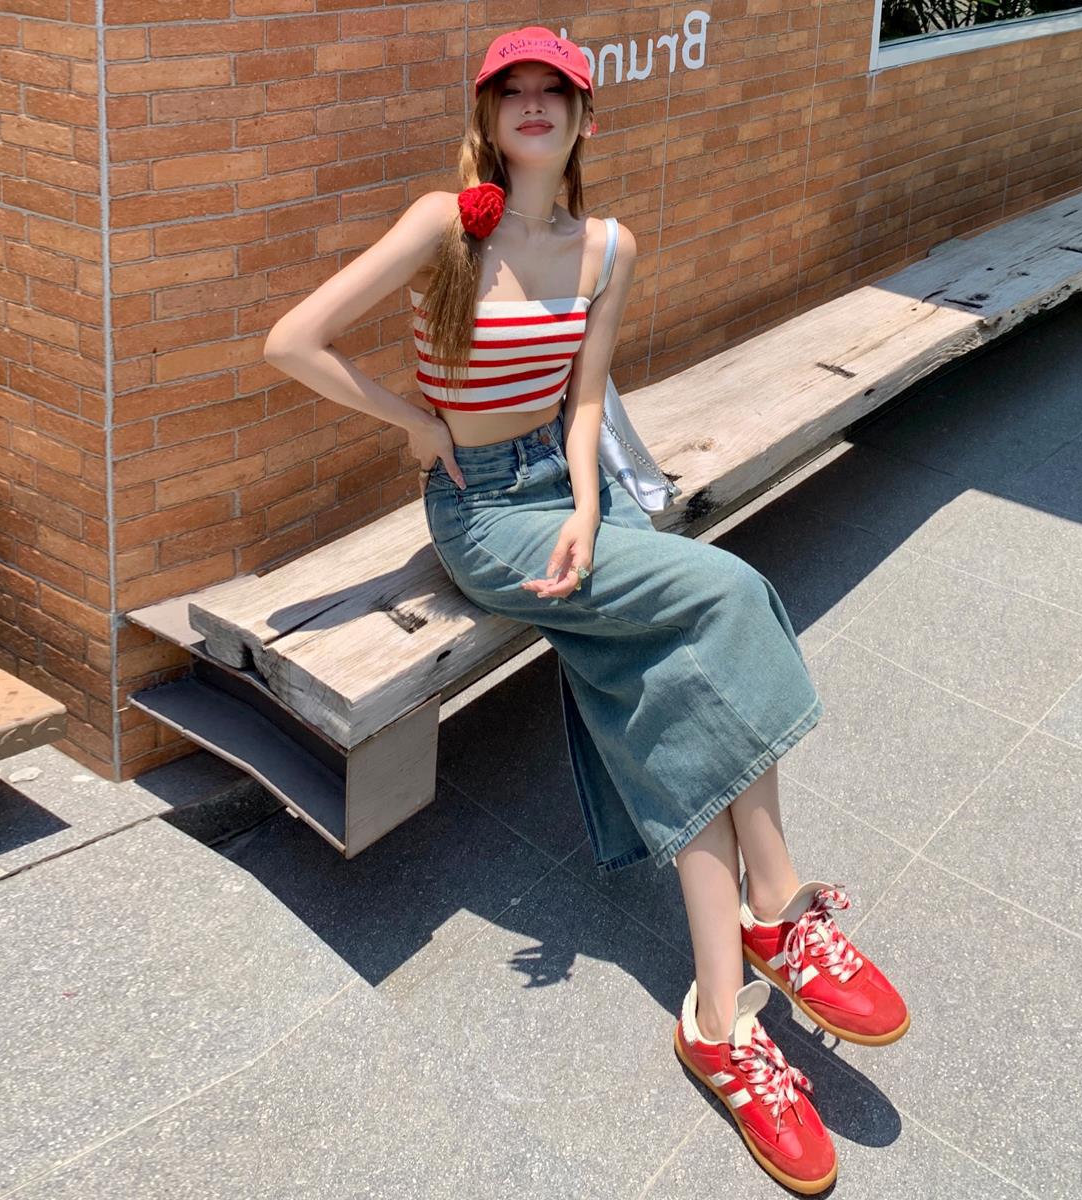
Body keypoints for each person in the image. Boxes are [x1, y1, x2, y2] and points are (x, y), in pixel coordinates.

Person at [263, 25, 909, 1195]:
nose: (532, 105)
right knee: (729, 591)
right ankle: (779, 904)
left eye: (551, 92)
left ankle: (722, 1019)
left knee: (673, 685)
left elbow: (588, 402)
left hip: (567, 497)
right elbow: (290, 342)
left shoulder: (608, 245)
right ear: (487, 114)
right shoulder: (442, 225)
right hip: (478, 515)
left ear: (582, 118)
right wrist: (416, 425)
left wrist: (587, 507)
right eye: (510, 91)